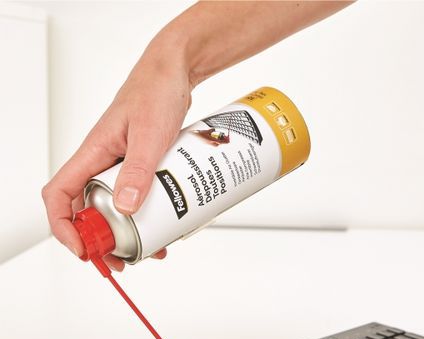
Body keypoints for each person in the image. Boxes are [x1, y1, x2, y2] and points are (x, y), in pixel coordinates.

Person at [42, 0, 353, 271]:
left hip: (268, 122)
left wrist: (173, 59)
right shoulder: (106, 204)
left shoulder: (110, 205)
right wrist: (173, 61)